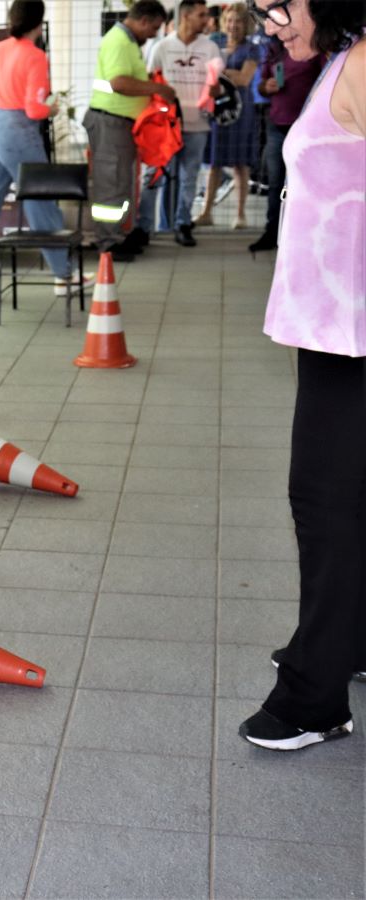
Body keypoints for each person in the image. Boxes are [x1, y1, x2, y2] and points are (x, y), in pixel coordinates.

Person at [240, 0, 365, 752]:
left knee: (324, 503)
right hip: (335, 329)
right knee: (345, 500)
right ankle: (349, 643)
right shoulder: (342, 58)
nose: (271, 23)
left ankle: (314, 699)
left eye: (279, 5)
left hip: (353, 336)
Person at [0, 0, 95, 302]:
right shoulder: (35, 56)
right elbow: (34, 109)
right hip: (18, 134)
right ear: (39, 22)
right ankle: (65, 276)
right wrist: (52, 109)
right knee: (42, 201)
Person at [84, 0, 174, 263]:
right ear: (143, 20)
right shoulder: (119, 42)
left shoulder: (129, 43)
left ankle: (117, 236)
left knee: (120, 184)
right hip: (110, 122)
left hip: (119, 124)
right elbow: (119, 83)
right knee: (110, 185)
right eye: (154, 28)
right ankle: (108, 243)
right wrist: (158, 89)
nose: (154, 34)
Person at [140, 0, 223, 247]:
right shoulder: (162, 47)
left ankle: (182, 224)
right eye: (201, 15)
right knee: (153, 175)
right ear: (186, 16)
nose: (207, 20)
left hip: (197, 124)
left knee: (189, 178)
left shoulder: (210, 48)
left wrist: (215, 90)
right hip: (166, 126)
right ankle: (143, 227)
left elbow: (217, 88)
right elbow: (151, 82)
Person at [248, 33, 324, 252]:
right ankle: (272, 232)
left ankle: (303, 234)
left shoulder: (313, 48)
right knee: (276, 184)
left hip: (305, 127)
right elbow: (261, 86)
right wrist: (267, 86)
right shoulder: (274, 50)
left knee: (304, 183)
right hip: (277, 125)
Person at [196, 3, 261, 229]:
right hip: (217, 109)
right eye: (230, 20)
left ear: (246, 24)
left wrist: (219, 72)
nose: (234, 25)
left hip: (241, 111)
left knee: (240, 164)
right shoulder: (215, 43)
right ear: (224, 22)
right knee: (214, 162)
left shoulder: (252, 48)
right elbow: (204, 73)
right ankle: (206, 212)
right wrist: (228, 73)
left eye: (239, 21)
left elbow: (244, 79)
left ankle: (240, 215)